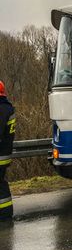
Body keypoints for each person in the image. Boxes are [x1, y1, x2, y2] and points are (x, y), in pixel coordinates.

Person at [0, 81, 15, 220]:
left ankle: (4, 214)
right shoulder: (7, 108)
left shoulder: (1, 109)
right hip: (4, 153)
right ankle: (5, 211)